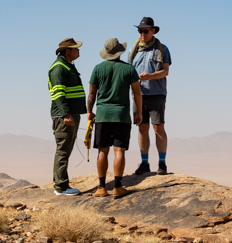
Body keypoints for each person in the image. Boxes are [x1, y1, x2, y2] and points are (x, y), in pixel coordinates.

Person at [87, 38, 143, 198]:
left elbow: (92, 93)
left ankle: (102, 187)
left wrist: (89, 111)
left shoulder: (98, 68)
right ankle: (118, 187)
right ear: (119, 52)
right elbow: (137, 92)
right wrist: (139, 112)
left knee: (102, 151)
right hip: (121, 116)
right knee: (119, 151)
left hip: (102, 115)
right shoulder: (128, 69)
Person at [129, 17, 172, 175]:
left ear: (153, 31)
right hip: (138, 94)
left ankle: (162, 163)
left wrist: (150, 76)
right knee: (142, 127)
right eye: (140, 31)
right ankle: (144, 163)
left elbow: (165, 71)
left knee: (158, 127)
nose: (142, 34)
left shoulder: (162, 49)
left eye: (145, 31)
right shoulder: (133, 50)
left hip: (156, 93)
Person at [47, 38, 87, 196]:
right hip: (65, 116)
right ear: (67, 51)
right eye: (75, 48)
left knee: (65, 150)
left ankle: (61, 183)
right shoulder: (59, 68)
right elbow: (58, 94)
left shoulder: (67, 66)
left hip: (71, 114)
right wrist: (66, 114)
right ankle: (61, 187)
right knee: (63, 150)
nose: (79, 50)